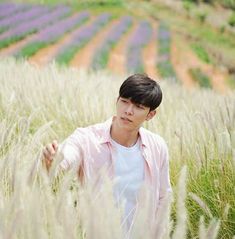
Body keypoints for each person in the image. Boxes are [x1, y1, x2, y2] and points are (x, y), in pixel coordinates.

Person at [42, 73, 172, 233]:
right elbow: (66, 157)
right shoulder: (86, 138)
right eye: (124, 102)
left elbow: (163, 197)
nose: (128, 111)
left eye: (138, 107)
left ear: (150, 115)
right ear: (117, 101)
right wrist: (52, 161)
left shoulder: (157, 147)